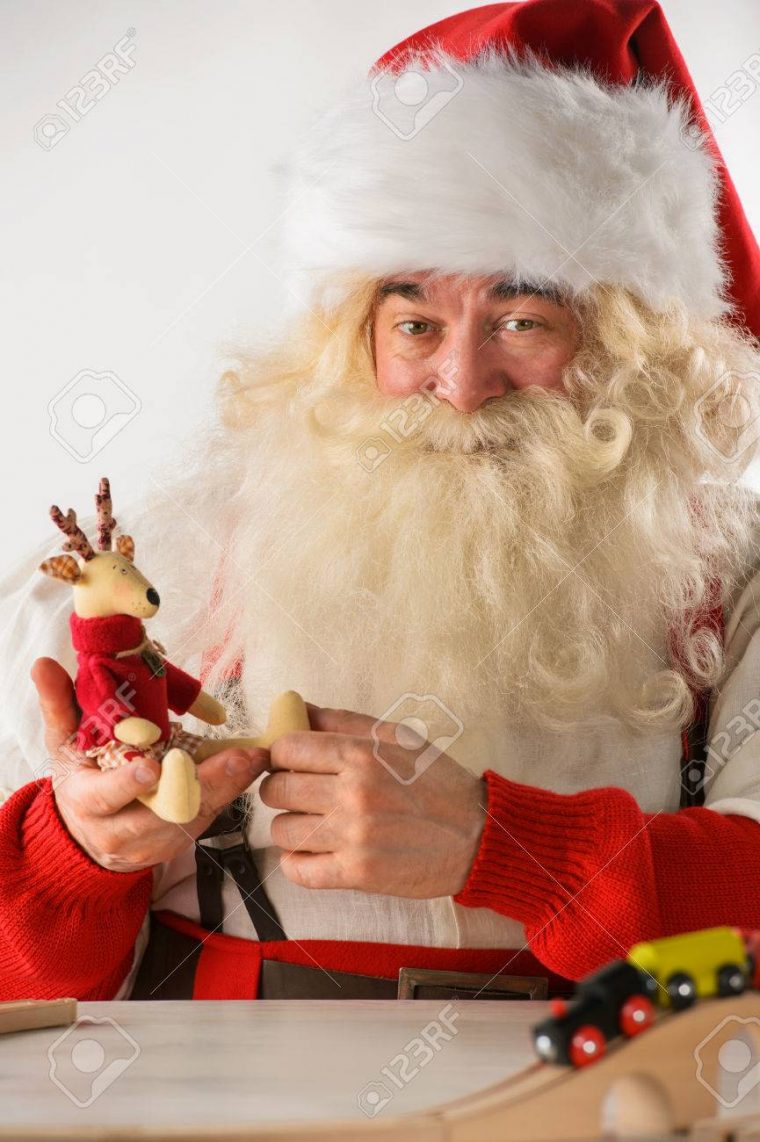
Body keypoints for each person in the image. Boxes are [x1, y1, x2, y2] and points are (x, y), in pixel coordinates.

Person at [2, 0, 760, 1004]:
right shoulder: (149, 570)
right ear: (353, 334)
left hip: (592, 1093)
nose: (461, 378)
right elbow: (27, 987)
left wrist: (509, 846)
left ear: (628, 344)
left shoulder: (727, 573)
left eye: (521, 317)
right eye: (413, 322)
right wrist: (77, 851)